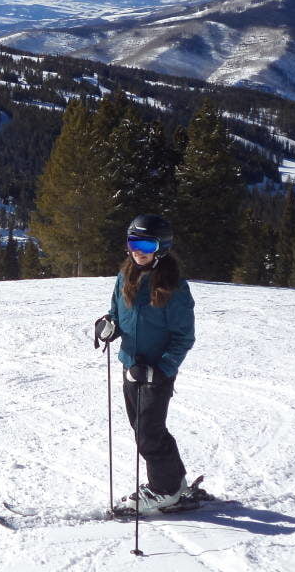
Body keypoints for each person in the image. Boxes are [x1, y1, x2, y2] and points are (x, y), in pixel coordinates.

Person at [93, 214, 195, 513]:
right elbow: (115, 312)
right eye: (133, 242)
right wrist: (109, 326)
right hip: (131, 365)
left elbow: (183, 337)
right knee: (145, 429)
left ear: (161, 247)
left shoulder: (175, 287)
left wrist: (161, 369)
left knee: (149, 433)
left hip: (157, 374)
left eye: (146, 244)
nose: (138, 250)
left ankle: (165, 490)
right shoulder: (125, 276)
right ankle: (175, 483)